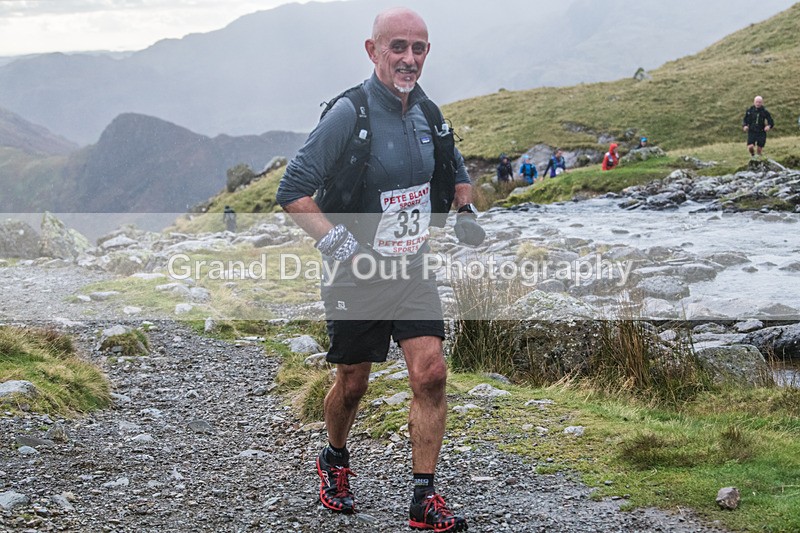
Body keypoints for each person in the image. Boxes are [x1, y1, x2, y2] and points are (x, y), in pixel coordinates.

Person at [276, 7, 481, 531]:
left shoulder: (430, 113)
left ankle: (423, 497)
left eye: (419, 48)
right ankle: (335, 459)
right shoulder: (349, 113)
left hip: (412, 266)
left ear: (427, 53)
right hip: (356, 273)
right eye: (398, 48)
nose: (409, 59)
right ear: (373, 51)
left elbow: (455, 169)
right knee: (353, 382)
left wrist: (464, 212)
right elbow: (292, 192)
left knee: (431, 374)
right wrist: (343, 244)